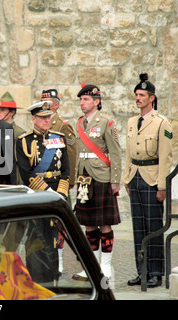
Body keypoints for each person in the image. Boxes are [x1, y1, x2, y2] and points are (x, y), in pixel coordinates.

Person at [124, 74, 173, 288]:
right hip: (135, 177)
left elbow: (166, 157)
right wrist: (126, 178)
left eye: (142, 95)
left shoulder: (162, 123)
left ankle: (155, 272)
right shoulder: (132, 122)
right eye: (136, 94)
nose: (138, 98)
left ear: (151, 98)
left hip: (152, 179)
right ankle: (141, 270)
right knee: (137, 227)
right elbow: (128, 151)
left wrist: (162, 186)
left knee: (153, 227)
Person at [72, 84, 121, 282]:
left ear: (96, 102)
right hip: (84, 178)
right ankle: (91, 267)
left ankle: (106, 266)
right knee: (89, 224)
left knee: (104, 223)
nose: (82, 103)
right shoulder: (80, 123)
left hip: (101, 176)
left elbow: (116, 153)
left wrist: (115, 180)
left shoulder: (106, 123)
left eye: (86, 100)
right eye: (81, 100)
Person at [40, 88, 77, 274]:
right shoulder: (40, 123)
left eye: (46, 103)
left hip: (59, 183)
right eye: (41, 102)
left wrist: (68, 181)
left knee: (60, 224)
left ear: (56, 105)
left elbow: (70, 154)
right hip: (42, 183)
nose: (43, 105)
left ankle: (60, 260)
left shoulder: (62, 125)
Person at [16, 100, 70, 198]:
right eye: (43, 117)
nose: (47, 120)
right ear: (33, 119)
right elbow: (26, 172)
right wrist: (47, 190)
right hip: (36, 191)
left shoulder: (59, 138)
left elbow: (65, 169)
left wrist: (61, 192)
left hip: (58, 190)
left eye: (48, 117)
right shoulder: (24, 141)